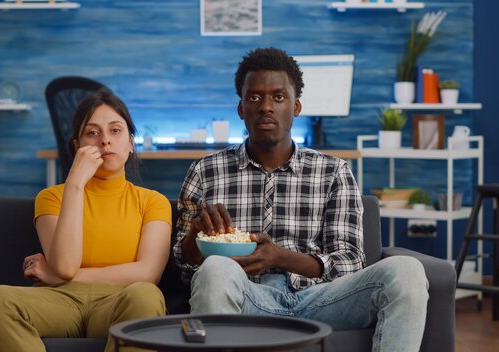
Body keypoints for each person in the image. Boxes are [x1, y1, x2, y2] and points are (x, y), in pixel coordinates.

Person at [173, 48, 429, 352]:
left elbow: (350, 261)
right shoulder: (205, 171)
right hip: (246, 296)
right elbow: (183, 268)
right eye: (254, 98)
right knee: (214, 269)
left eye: (278, 97)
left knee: (408, 271)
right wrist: (196, 238)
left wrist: (281, 257)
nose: (266, 107)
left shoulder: (334, 172)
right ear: (241, 108)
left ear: (295, 107)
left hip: (321, 299)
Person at [0, 88, 172, 352]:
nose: (105, 141)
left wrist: (60, 276)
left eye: (115, 131)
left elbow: (147, 273)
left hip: (118, 302)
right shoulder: (51, 197)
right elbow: (66, 266)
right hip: (57, 301)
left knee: (147, 295)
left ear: (130, 143)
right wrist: (75, 184)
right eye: (92, 133)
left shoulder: (153, 202)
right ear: (77, 146)